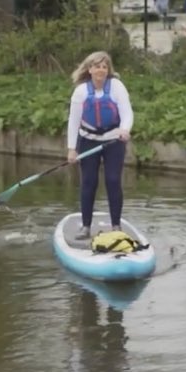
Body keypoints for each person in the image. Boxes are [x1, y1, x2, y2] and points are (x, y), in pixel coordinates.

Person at [66, 51, 133, 239]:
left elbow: (127, 112)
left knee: (113, 180)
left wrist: (125, 129)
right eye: (97, 66)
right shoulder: (80, 91)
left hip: (113, 140)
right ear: (90, 69)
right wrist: (72, 148)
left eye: (104, 67)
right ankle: (86, 227)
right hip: (88, 140)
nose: (101, 70)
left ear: (108, 70)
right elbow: (73, 121)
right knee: (89, 182)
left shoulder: (117, 87)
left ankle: (116, 226)